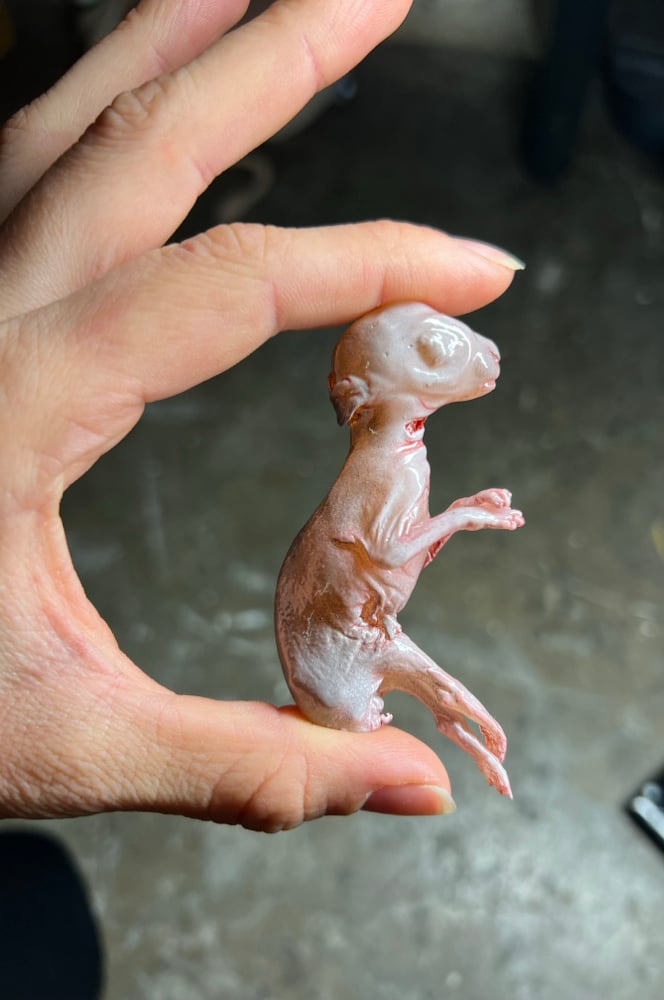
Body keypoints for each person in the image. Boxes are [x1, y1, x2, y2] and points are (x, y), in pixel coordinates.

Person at [0, 0, 521, 834]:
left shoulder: (394, 459)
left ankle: (480, 740)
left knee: (453, 698)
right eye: (435, 349)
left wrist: (460, 516)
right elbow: (389, 551)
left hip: (358, 632)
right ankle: (476, 736)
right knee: (444, 695)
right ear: (376, 393)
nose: (477, 355)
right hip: (341, 661)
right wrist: (464, 516)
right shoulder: (385, 471)